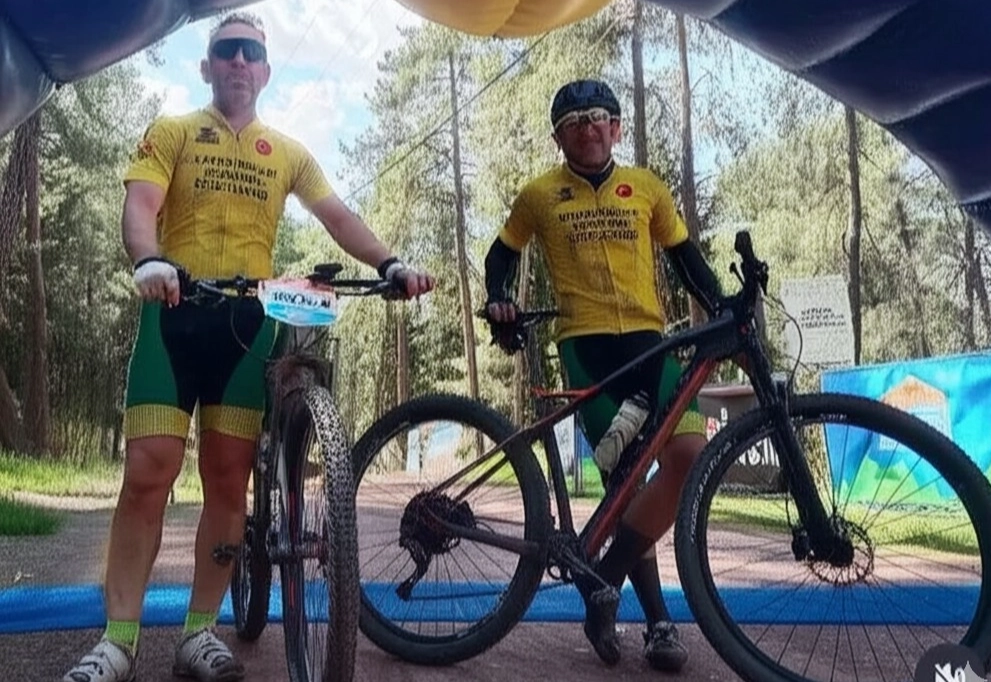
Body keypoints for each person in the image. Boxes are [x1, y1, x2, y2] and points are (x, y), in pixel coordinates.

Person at [63, 12, 433, 682]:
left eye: (251, 53)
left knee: (229, 478)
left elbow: (337, 215)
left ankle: (198, 633)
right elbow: (141, 204)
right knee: (147, 473)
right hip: (173, 312)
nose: (239, 61)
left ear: (263, 71)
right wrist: (148, 259)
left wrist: (390, 262)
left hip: (248, 325)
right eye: (227, 50)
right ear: (206, 66)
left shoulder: (285, 151)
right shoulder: (173, 131)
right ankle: (117, 641)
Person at [484, 79, 728, 674]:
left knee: (689, 457)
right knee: (624, 482)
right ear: (558, 137)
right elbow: (500, 255)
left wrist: (723, 307)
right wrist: (498, 298)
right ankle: (658, 622)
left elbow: (685, 258)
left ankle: (604, 583)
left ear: (616, 128)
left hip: (651, 343)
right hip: (586, 348)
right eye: (573, 121)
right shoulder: (539, 195)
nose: (588, 127)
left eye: (599, 116)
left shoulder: (645, 186)